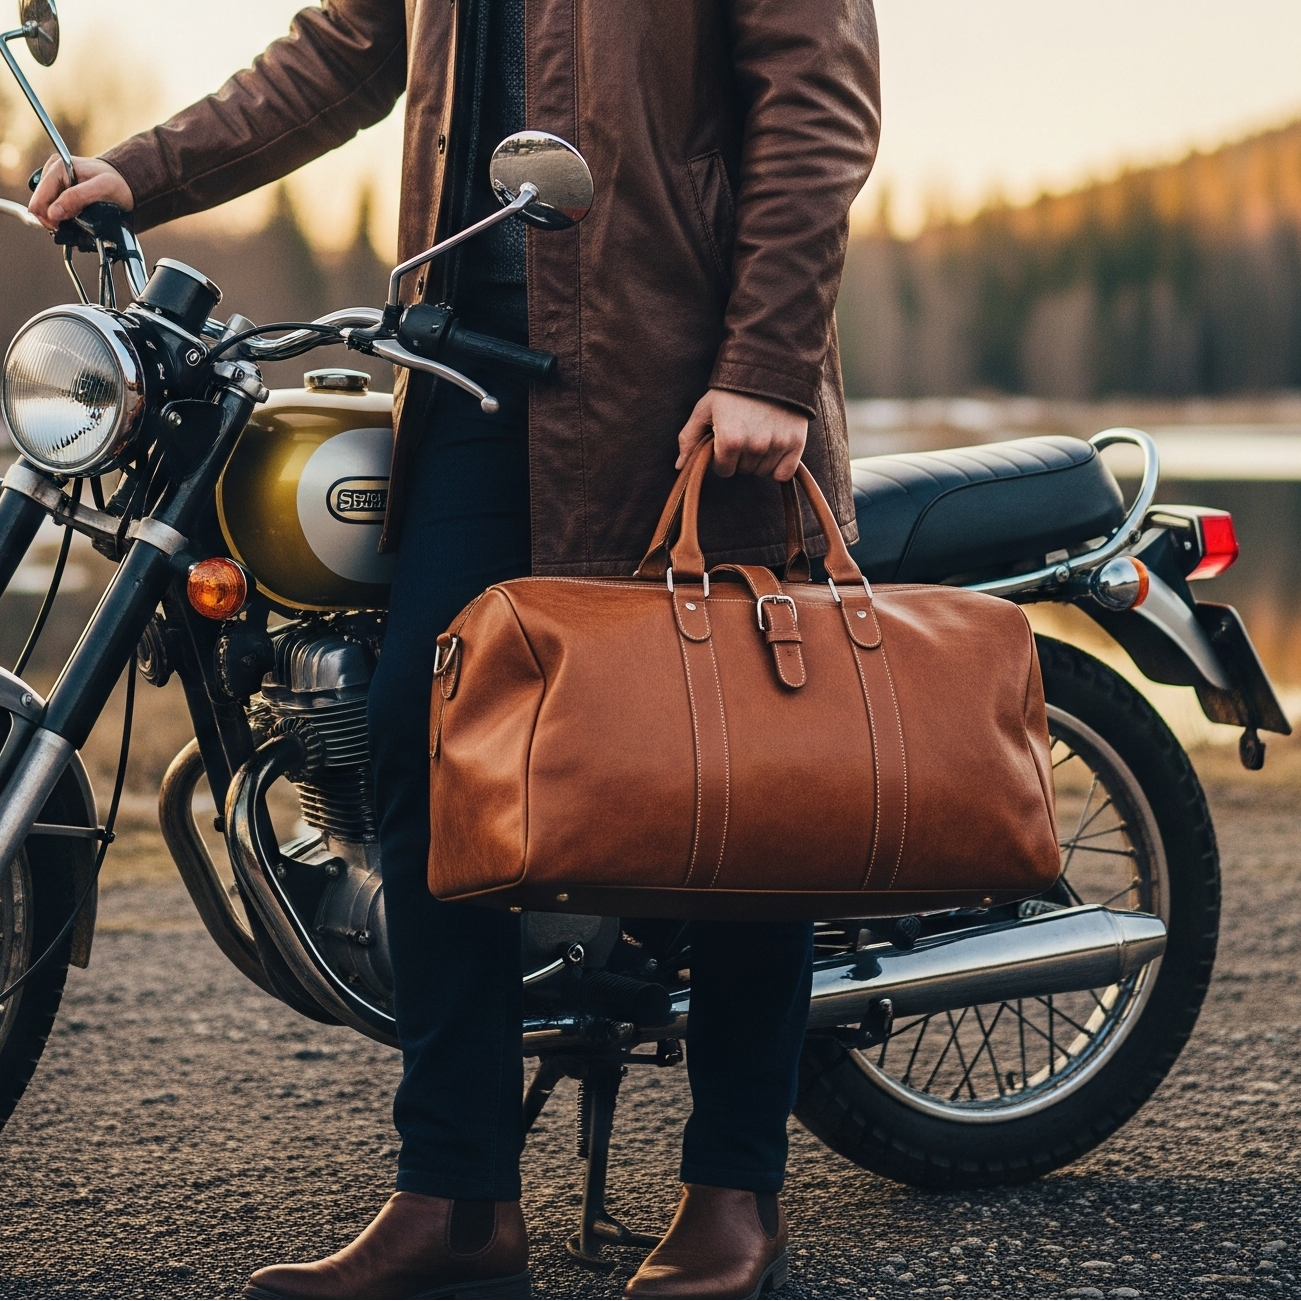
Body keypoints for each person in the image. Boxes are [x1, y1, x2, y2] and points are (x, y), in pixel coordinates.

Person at [32, 3, 879, 1296]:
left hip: (679, 365)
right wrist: (144, 169)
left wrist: (766, 358)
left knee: (729, 765)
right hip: (469, 364)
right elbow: (346, 50)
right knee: (418, 742)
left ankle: (731, 1192)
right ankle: (459, 1203)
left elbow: (816, 95)